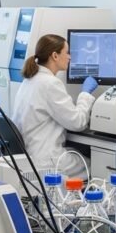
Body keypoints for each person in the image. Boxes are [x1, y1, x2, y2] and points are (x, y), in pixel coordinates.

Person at [11, 34, 99, 178]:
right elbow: (78, 122)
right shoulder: (50, 83)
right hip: (45, 161)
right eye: (67, 52)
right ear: (55, 56)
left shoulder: (29, 80)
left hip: (31, 156)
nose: (70, 57)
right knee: (96, 166)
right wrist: (85, 94)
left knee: (76, 153)